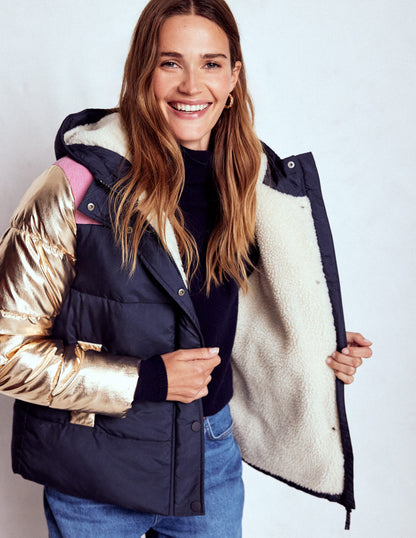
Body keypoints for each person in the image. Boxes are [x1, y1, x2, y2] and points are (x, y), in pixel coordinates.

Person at [0, 0, 372, 536]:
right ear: (142, 72)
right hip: (93, 470)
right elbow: (7, 352)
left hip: (210, 456)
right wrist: (147, 379)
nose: (191, 85)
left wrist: (318, 347)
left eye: (211, 63)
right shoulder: (76, 186)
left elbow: (234, 317)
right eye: (170, 62)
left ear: (234, 77)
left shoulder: (250, 185)